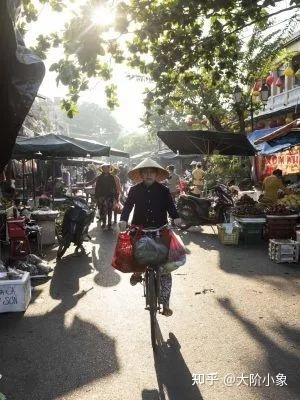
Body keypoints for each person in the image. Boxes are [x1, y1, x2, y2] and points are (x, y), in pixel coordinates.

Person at [119, 158, 181, 317]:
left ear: (156, 174)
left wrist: (176, 217)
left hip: (161, 230)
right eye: (145, 172)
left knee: (166, 269)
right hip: (140, 230)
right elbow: (127, 207)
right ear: (140, 175)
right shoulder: (134, 190)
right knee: (138, 256)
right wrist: (123, 220)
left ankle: (166, 303)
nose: (148, 174)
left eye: (151, 172)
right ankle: (138, 273)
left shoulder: (164, 191)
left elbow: (171, 207)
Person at [95, 163, 118, 230]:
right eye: (104, 168)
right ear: (102, 169)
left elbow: (114, 187)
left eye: (107, 168)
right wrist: (96, 197)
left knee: (110, 210)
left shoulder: (111, 177)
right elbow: (97, 187)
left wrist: (116, 197)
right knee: (102, 210)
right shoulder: (100, 177)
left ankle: (109, 225)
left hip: (110, 196)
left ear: (109, 169)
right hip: (101, 196)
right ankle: (104, 223)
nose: (105, 169)